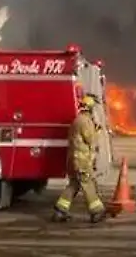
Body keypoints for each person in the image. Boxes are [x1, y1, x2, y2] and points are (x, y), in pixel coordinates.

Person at [52, 95, 107, 223]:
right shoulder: (85, 121)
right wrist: (97, 130)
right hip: (82, 160)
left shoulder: (78, 119)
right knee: (87, 184)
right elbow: (90, 139)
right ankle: (97, 211)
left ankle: (60, 211)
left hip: (74, 159)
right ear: (90, 108)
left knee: (74, 184)